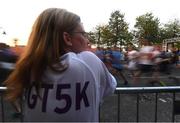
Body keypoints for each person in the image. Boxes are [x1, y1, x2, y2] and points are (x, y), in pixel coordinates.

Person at [4, 8, 117, 122]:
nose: (87, 41)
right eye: (83, 34)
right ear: (67, 38)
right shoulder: (88, 61)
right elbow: (110, 85)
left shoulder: (29, 67)